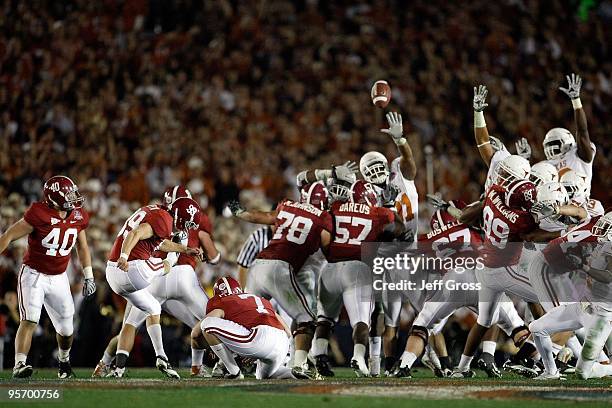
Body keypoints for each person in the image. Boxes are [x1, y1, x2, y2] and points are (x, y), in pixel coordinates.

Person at [0, 176, 95, 379]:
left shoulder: (78, 215)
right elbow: (8, 235)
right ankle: (19, 364)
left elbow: (83, 246)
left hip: (59, 276)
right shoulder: (38, 213)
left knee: (67, 328)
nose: (74, 198)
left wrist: (89, 275)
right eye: (69, 194)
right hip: (34, 274)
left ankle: (64, 361)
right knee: (30, 319)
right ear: (54, 197)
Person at [105, 197, 202, 378]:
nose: (186, 227)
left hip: (113, 274)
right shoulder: (163, 218)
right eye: (187, 223)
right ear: (181, 216)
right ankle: (159, 358)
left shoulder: (157, 212)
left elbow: (159, 242)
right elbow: (135, 233)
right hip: (131, 269)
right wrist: (125, 256)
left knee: (154, 308)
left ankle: (157, 357)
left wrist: (185, 250)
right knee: (167, 265)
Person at [197, 276, 294, 379]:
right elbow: (288, 332)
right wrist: (256, 350)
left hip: (259, 337)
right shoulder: (259, 299)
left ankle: (234, 372)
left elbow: (200, 329)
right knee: (263, 375)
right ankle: (293, 373)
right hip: (282, 342)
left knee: (206, 324)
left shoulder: (224, 300)